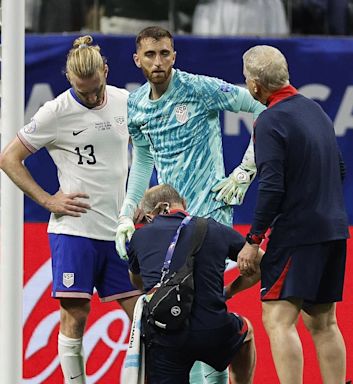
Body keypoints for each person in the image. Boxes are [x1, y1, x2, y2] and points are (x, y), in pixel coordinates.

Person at [114, 26, 265, 383]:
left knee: (205, 316)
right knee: (180, 319)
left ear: (174, 56)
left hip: (208, 218)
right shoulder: (135, 106)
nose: (158, 61)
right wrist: (125, 213)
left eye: (165, 53)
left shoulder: (199, 88)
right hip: (168, 225)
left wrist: (244, 171)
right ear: (137, 60)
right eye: (150, 54)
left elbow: (263, 107)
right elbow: (143, 163)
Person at [0, 36, 140, 384]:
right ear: (68, 79)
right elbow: (9, 158)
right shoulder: (55, 111)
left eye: (95, 89)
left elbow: (147, 153)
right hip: (74, 231)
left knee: (141, 315)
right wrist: (48, 200)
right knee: (75, 314)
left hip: (119, 231)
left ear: (106, 71)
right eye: (83, 90)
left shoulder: (126, 101)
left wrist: (139, 200)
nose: (91, 98)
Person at [237, 45, 350, 384]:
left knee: (276, 318)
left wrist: (253, 240)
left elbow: (271, 187)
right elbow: (339, 169)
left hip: (297, 233)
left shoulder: (269, 120)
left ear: (256, 85)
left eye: (246, 81)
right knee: (323, 321)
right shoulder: (316, 111)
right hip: (333, 228)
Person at [127, 184, 260, 384]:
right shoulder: (213, 228)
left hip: (165, 335)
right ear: (184, 204)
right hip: (212, 329)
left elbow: (136, 281)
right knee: (246, 331)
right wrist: (229, 291)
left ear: (156, 211)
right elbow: (260, 263)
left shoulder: (139, 236)